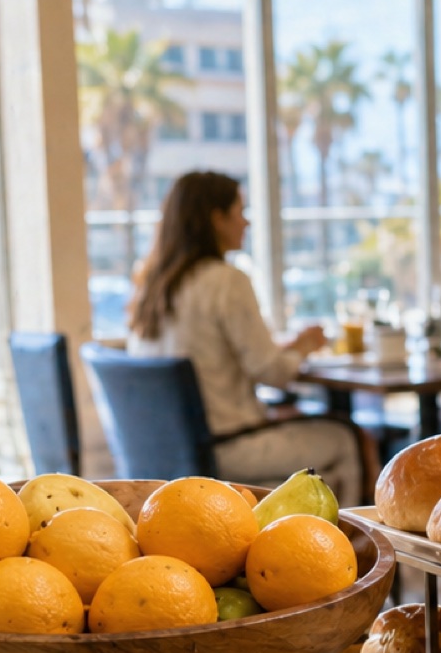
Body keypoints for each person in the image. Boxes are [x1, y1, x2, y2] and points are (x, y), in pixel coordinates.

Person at [126, 171, 370, 503]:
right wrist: (305, 346)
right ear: (217, 218)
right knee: (349, 437)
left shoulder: (150, 287)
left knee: (300, 419)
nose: (246, 223)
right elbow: (274, 373)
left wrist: (284, 351)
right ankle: (353, 548)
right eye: (240, 212)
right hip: (224, 447)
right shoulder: (226, 281)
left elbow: (216, 359)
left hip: (166, 450)